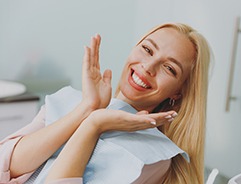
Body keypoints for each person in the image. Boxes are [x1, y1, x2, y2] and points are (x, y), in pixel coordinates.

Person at [0, 22, 211, 184]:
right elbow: (6, 166)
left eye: (169, 68)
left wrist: (94, 125)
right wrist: (87, 109)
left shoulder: (153, 157)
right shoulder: (68, 101)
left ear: (178, 92)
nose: (148, 66)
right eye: (147, 49)